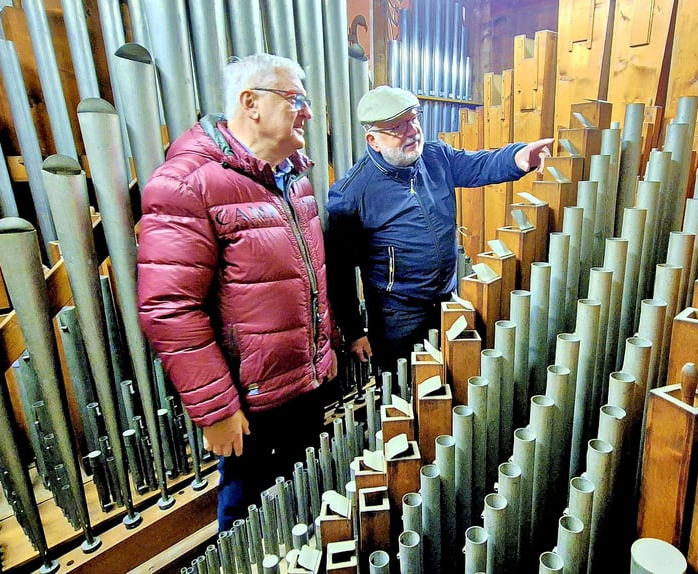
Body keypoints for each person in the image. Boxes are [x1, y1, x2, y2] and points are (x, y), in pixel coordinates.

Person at [137, 53, 337, 530]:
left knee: (305, 512)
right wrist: (216, 410)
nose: (307, 111)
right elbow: (169, 309)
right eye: (296, 99)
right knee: (249, 527)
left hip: (304, 386)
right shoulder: (186, 183)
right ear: (250, 103)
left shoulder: (294, 179)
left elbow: (306, 282)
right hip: (249, 404)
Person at [326, 85, 552, 379]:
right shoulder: (352, 195)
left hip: (447, 299)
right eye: (397, 127)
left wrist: (518, 157)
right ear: (373, 139)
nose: (412, 131)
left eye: (413, 119)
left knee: (452, 381)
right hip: (398, 318)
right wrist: (354, 331)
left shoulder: (436, 157)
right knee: (406, 390)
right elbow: (340, 274)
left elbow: (479, 163)